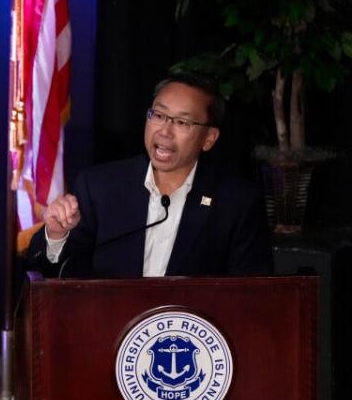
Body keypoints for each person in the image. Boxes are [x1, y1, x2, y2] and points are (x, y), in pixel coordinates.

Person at [26, 73, 272, 278]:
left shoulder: (236, 203)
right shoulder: (99, 187)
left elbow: (250, 297)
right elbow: (50, 273)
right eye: (159, 115)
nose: (164, 131)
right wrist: (56, 235)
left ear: (208, 139)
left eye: (182, 123)